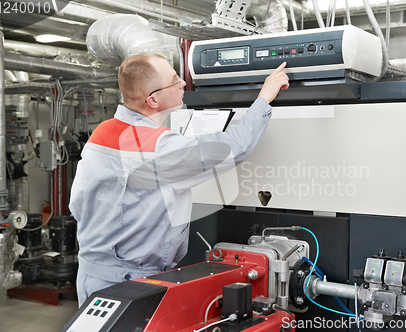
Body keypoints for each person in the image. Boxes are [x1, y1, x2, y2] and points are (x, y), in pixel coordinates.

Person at [69, 53, 289, 306]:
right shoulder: (158, 147)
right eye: (174, 81)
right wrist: (264, 98)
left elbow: (78, 205)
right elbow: (234, 147)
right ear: (153, 99)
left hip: (90, 274)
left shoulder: (102, 132)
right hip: (131, 282)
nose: (183, 84)